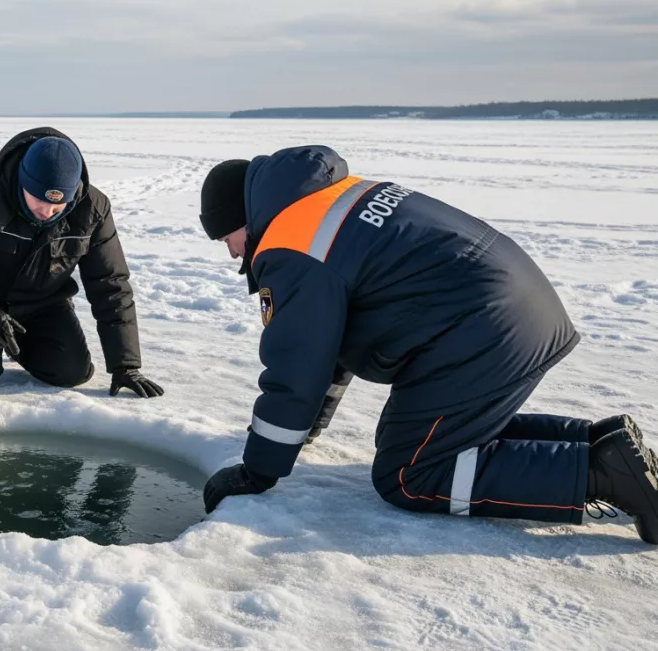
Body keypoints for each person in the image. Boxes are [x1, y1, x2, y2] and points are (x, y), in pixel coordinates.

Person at [196, 144, 658, 544]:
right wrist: (308, 427)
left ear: (242, 218)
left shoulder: (290, 242)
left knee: (410, 473)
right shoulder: (322, 199)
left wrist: (259, 469)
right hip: (509, 305)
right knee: (411, 438)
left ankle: (604, 475)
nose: (232, 251)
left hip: (479, 327)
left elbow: (297, 366)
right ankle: (602, 443)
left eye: (225, 237)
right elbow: (328, 347)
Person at [0, 127, 163, 399]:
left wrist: (125, 364)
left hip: (43, 305)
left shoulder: (93, 208)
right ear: (22, 181)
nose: (47, 212)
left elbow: (110, 283)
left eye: (57, 206)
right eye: (38, 200)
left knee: (71, 373)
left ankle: (18, 345)